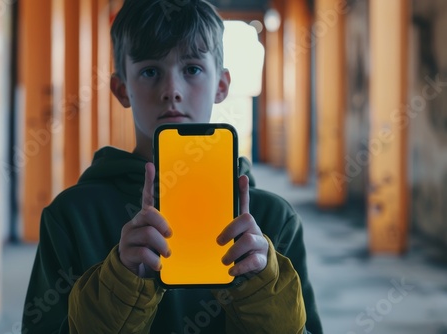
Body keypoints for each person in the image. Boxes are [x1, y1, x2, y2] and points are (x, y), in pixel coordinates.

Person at [22, 0, 323, 333]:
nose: (172, 91)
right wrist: (120, 281)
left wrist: (261, 288)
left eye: (192, 69)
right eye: (150, 71)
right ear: (122, 89)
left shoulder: (271, 220)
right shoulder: (72, 216)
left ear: (221, 85)